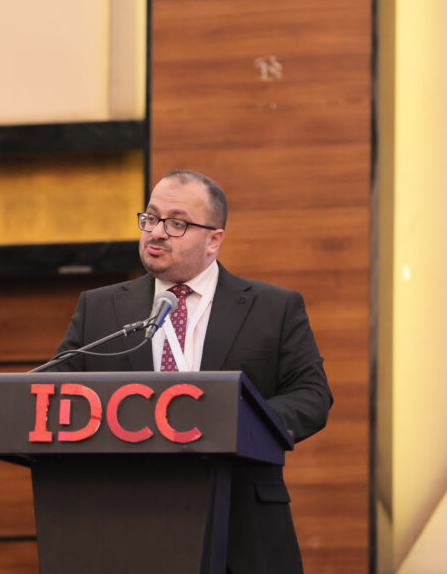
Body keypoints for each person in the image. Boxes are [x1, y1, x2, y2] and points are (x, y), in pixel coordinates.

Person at [54, 169, 332, 573]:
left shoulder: (273, 308)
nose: (156, 233)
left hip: (243, 525)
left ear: (213, 239)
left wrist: (238, 422)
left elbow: (312, 396)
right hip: (125, 522)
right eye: (151, 218)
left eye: (177, 223)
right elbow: (54, 392)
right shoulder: (100, 309)